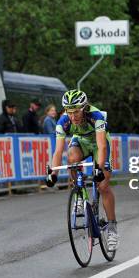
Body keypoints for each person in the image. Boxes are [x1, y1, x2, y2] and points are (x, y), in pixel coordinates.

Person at [46, 89, 119, 251]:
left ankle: (112, 227)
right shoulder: (63, 122)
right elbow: (58, 151)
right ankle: (79, 193)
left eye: (76, 112)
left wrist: (99, 168)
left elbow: (101, 146)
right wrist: (53, 174)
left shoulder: (96, 116)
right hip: (81, 141)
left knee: (103, 185)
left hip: (99, 143)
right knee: (71, 158)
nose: (73, 116)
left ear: (84, 108)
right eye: (69, 112)